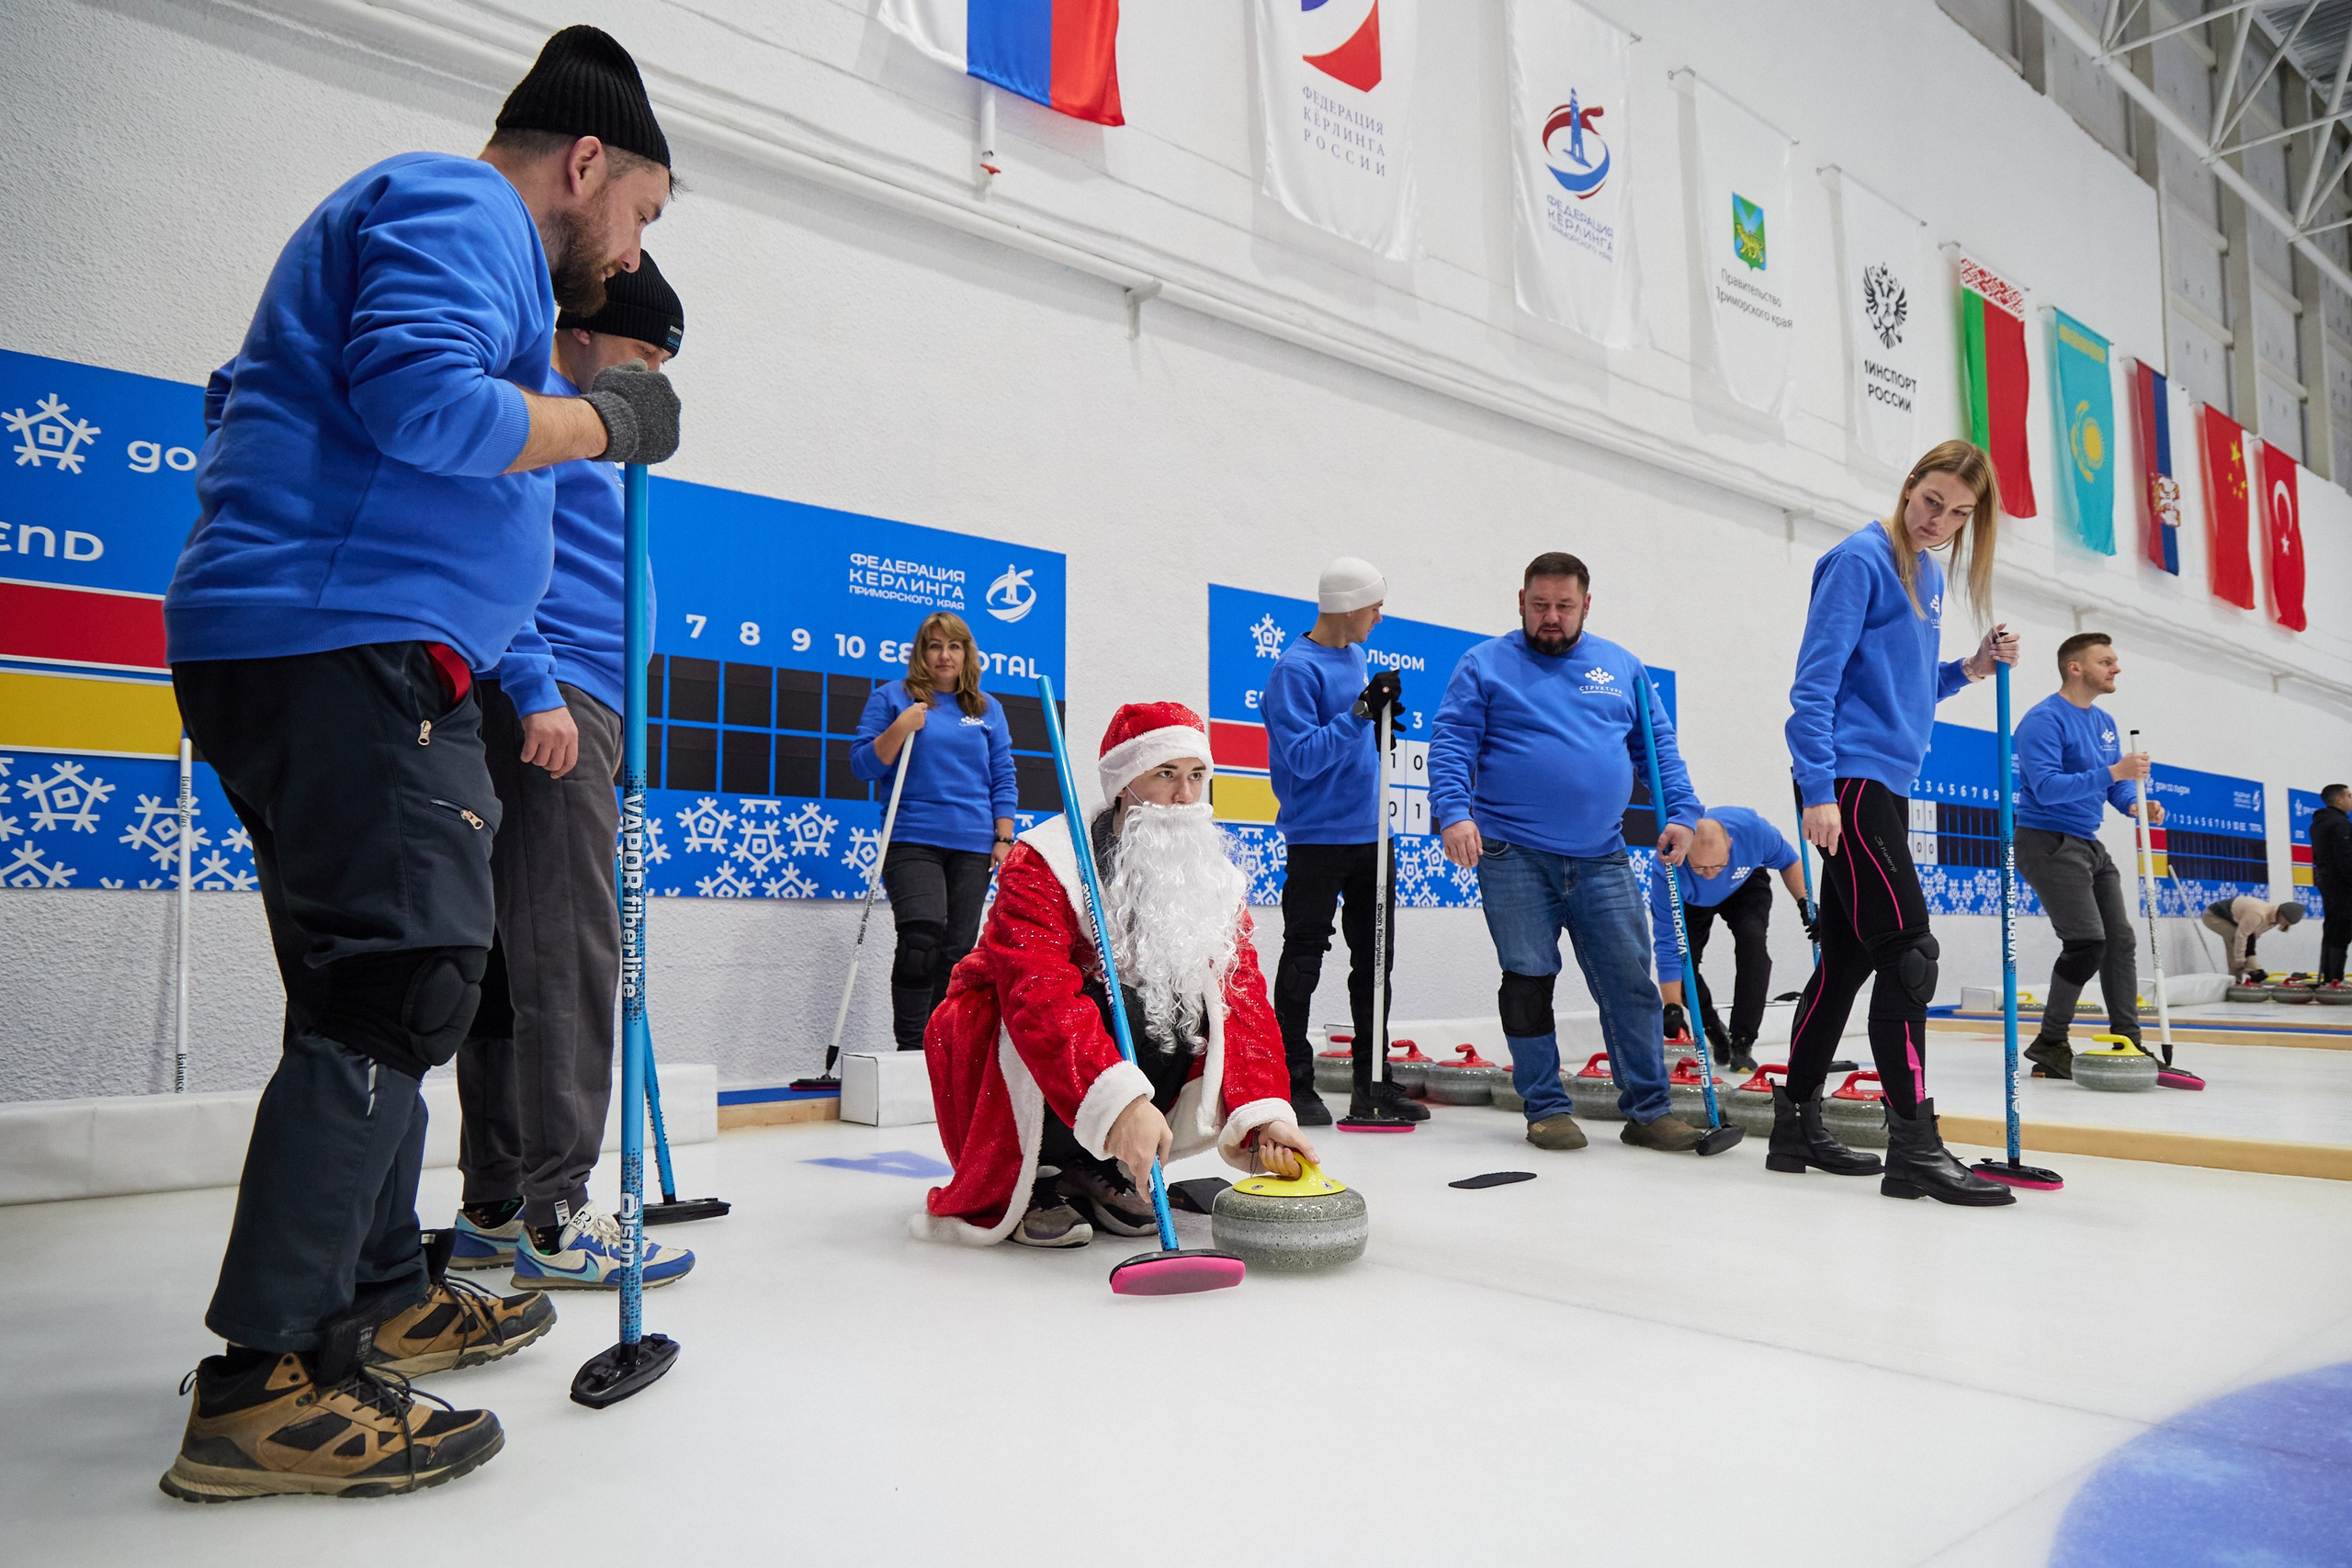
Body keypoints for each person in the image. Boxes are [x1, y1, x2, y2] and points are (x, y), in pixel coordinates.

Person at [157, 26, 679, 1502]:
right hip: (345, 642)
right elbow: (417, 406)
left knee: (368, 988)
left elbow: (296, 401)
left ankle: (377, 1287)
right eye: (641, 210)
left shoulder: (454, 239)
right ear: (584, 162)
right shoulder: (463, 211)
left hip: (347, 638)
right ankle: (269, 1377)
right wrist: (606, 423)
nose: (631, 253)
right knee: (404, 972)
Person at [448, 253, 695, 1292]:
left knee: (515, 958)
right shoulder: (543, 414)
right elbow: (501, 553)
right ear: (585, 332)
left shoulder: (589, 430)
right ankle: (558, 1215)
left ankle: (498, 1205)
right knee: (568, 956)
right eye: (639, 351)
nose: (648, 377)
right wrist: (538, 680)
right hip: (551, 702)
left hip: (582, 702)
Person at [914, 703, 1316, 1247]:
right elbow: (1038, 992)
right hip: (1003, 1039)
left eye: (1196, 775)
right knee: (1100, 1005)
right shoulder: (1046, 860)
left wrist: (1264, 1118)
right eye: (1165, 775)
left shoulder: (1210, 879)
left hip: (1096, 1051)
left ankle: (1091, 1166)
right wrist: (1120, 1104)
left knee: (1183, 1007)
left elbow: (1241, 1000)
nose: (1184, 796)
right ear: (1125, 784)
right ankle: (1036, 1176)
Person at [1781, 439, 2018, 1206]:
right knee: (1910, 953)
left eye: (1958, 513)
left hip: (1882, 781)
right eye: (1930, 501)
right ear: (1908, 485)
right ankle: (1913, 1143)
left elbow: (1905, 686)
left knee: (1847, 962)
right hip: (1846, 784)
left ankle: (1795, 1124)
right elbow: (1814, 685)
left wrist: (1970, 670)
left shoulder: (1933, 572)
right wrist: (1817, 788)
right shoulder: (1862, 559)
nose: (1939, 521)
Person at [1430, 552, 1712, 1156]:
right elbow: (1452, 743)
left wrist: (1683, 814)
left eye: (1563, 606)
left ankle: (1649, 1108)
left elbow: (1658, 751)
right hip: (1512, 854)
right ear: (1520, 602)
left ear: (1587, 604)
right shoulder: (1484, 664)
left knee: (1632, 982)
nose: (1550, 618)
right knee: (1529, 979)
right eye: (1539, 606)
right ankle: (1546, 1107)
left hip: (1602, 856)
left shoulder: (1623, 668)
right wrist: (1454, 812)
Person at [1261, 556, 1423, 1128]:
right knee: (1305, 957)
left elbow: (1351, 738)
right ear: (1351, 607)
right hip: (1318, 839)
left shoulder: (1354, 655)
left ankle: (1371, 1084)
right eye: (1376, 607)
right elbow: (1303, 759)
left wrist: (1377, 718)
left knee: (1375, 964)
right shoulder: (1294, 671)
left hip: (1373, 835)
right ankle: (1293, 1083)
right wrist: (1359, 713)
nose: (1380, 618)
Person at [851, 612, 1021, 1049]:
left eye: (954, 646)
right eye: (934, 645)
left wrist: (1004, 837)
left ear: (967, 654)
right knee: (921, 940)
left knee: (956, 952)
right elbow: (863, 766)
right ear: (921, 652)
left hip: (972, 843)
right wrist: (901, 727)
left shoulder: (985, 709)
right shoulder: (893, 699)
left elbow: (1002, 774)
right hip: (912, 837)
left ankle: (941, 1051)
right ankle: (910, 1049)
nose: (944, 655)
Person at [2008, 633, 2161, 1080]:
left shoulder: (2104, 722)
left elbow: (2110, 787)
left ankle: (2128, 1039)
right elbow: (2048, 788)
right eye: (2106, 661)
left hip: (2088, 842)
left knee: (2120, 940)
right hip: (2046, 839)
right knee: (2086, 944)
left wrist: (2133, 803)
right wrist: (2116, 771)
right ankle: (2051, 1042)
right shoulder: (2043, 720)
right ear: (2076, 667)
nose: (2116, 668)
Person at [1653, 808, 1812, 1076]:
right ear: (1685, 850)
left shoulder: (1753, 831)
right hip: (1692, 900)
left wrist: (1805, 903)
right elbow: (1668, 945)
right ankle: (1713, 1028)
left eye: (1717, 866)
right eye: (1701, 867)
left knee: (1753, 946)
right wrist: (1671, 1007)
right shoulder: (1667, 866)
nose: (1711, 875)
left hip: (1744, 885)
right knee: (1684, 965)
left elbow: (1789, 860)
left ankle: (1743, 1041)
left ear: (1730, 845)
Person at [2202, 895, 2306, 979]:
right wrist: (2240, 959)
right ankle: (2245, 975)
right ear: (2281, 913)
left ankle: (2242, 975)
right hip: (2213, 916)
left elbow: (2253, 937)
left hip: (2233, 919)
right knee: (2236, 940)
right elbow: (2242, 935)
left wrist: (2246, 958)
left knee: (2240, 946)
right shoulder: (2258, 913)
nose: (2285, 924)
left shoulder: (2273, 920)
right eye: (2286, 921)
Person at [2312, 784, 2352, 987]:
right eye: (2349, 796)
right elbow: (2346, 858)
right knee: (2342, 929)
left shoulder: (2319, 823)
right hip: (2341, 884)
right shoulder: (2339, 824)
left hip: (2326, 881)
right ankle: (2335, 979)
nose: (2351, 800)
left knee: (2332, 928)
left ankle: (2329, 977)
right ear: (2339, 800)